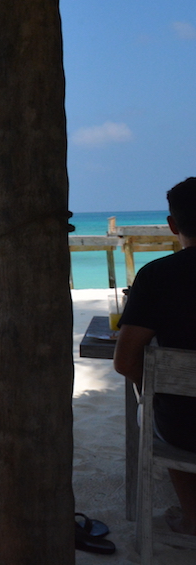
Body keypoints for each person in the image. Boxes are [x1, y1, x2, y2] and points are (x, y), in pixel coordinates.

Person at [114, 177, 196, 536]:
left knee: (168, 410)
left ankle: (193, 517)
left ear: (173, 225)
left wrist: (154, 390)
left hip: (186, 427)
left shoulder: (157, 277)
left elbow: (125, 361)